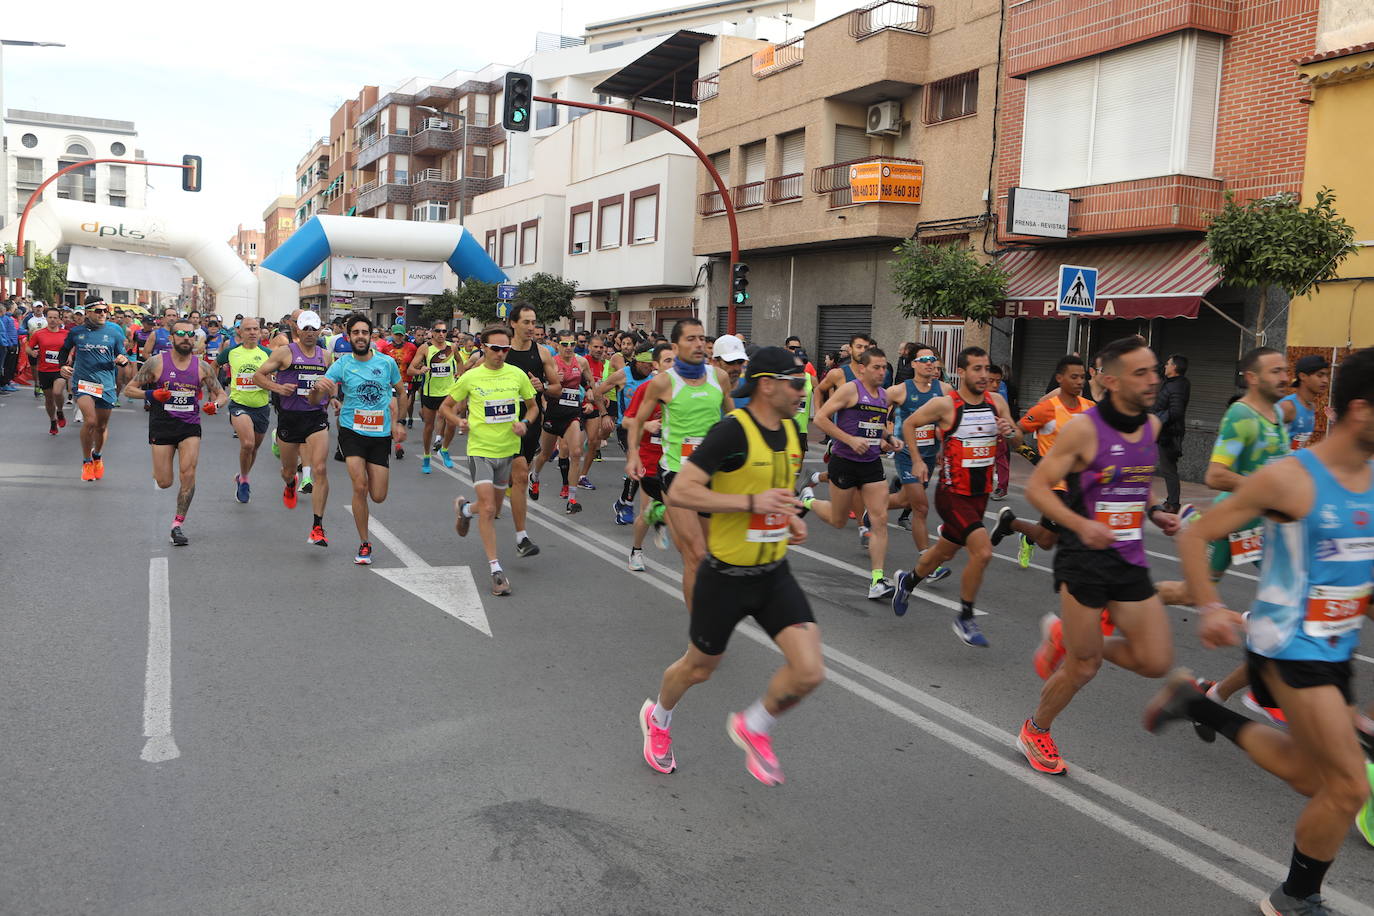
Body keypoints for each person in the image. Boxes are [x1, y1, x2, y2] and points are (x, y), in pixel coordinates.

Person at [1143, 347, 1374, 916]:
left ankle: (1198, 706)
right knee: (1348, 787)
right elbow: (1197, 537)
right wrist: (1214, 607)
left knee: (1308, 777)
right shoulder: (1292, 479)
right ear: (1364, 410)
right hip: (1287, 645)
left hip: (1334, 647)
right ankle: (1294, 899)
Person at [638, 347, 822, 786]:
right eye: (796, 383)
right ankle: (658, 717)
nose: (803, 391)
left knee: (810, 670)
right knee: (699, 668)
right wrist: (751, 503)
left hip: (774, 573)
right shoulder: (731, 433)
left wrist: (788, 516)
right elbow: (682, 489)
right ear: (767, 384)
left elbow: (776, 490)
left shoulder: (795, 433)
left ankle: (755, 726)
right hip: (725, 577)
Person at [1014, 336, 1181, 776]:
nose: (1153, 379)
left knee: (1155, 660)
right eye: (1141, 372)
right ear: (1110, 379)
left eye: (1155, 369)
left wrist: (1153, 511)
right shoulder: (1084, 429)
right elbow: (1036, 488)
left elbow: (1139, 477)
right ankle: (1036, 729)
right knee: (1083, 667)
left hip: (1128, 556)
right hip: (1083, 557)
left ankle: (1065, 636)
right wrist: (1081, 524)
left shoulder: (1152, 427)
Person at [1154, 347, 1294, 728]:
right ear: (1251, 377)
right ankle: (1125, 601)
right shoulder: (1241, 416)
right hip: (1237, 524)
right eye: (1276, 371)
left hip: (1263, 527)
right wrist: (1263, 489)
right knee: (1284, 610)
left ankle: (1219, 696)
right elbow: (1216, 474)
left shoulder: (1277, 414)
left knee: (1283, 604)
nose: (1285, 377)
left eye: (1286, 370)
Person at [891, 346, 1022, 644]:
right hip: (952, 494)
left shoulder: (997, 402)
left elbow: (1017, 439)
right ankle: (965, 617)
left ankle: (907, 580)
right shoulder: (945, 404)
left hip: (980, 494)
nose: (983, 375)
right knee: (983, 551)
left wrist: (1010, 431)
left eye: (986, 368)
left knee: (945, 552)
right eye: (976, 368)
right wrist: (916, 460)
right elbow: (910, 424)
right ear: (961, 372)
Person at [626, 318, 733, 609]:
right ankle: (699, 628)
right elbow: (636, 420)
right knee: (695, 555)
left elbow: (733, 419)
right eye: (691, 339)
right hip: (676, 474)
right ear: (675, 346)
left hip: (711, 475)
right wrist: (634, 455)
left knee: (710, 553)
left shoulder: (718, 378)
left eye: (701, 338)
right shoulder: (664, 381)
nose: (699, 344)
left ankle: (659, 510)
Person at [441, 326, 540, 596]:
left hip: (507, 452)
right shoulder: (471, 377)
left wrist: (524, 423)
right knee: (487, 508)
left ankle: (463, 510)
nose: (500, 353)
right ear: (483, 347)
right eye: (495, 348)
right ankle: (496, 571)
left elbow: (533, 407)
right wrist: (458, 420)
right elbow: (445, 406)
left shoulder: (517, 375)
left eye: (505, 349)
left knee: (493, 508)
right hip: (480, 450)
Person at [803, 348, 902, 599]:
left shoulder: (882, 395)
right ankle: (807, 499)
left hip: (870, 464)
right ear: (862, 369)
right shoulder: (851, 390)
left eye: (884, 368)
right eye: (876, 367)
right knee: (837, 520)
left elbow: (876, 426)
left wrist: (890, 438)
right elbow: (822, 418)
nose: (882, 372)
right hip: (844, 461)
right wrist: (849, 439)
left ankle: (877, 580)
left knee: (879, 520)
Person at [309, 313, 406, 564]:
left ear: (371, 336)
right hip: (352, 431)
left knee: (378, 495)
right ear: (348, 336)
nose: (360, 337)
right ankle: (364, 543)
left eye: (365, 332)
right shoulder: (342, 364)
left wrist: (399, 422)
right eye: (356, 333)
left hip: (381, 434)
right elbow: (319, 393)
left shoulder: (386, 363)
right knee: (359, 486)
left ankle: (365, 537)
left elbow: (401, 392)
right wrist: (319, 390)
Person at [125, 318, 226, 546]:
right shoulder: (155, 363)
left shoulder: (202, 367)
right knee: (164, 482)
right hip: (162, 424)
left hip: (189, 426)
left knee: (188, 473)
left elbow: (221, 394)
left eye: (191, 334)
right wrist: (152, 395)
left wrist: (215, 405)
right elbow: (129, 390)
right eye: (181, 333)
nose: (186, 338)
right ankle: (160, 471)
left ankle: (177, 524)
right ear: (171, 338)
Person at [988, 355, 1095, 569]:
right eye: (1073, 377)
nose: (1079, 382)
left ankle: (1010, 522)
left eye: (1082, 377)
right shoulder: (1047, 409)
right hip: (1056, 485)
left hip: (1081, 484)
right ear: (1059, 378)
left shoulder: (1092, 408)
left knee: (1046, 540)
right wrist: (1036, 458)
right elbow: (1017, 435)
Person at [254, 312, 333, 545]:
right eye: (305, 329)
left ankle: (317, 526)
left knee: (320, 469)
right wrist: (277, 388)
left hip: (316, 418)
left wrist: (334, 396)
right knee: (289, 470)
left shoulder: (326, 356)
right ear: (298, 330)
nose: (310, 333)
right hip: (289, 418)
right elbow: (258, 376)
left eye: (314, 329)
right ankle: (290, 483)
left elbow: (332, 382)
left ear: (319, 331)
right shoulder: (285, 352)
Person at [884, 344, 953, 579]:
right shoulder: (899, 390)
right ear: (913, 364)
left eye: (933, 359)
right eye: (924, 360)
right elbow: (876, 408)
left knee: (905, 499)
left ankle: (872, 505)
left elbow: (952, 421)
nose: (929, 363)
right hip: (906, 455)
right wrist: (886, 435)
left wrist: (943, 443)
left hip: (929, 455)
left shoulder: (945, 389)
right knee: (920, 508)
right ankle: (927, 561)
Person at [502, 302, 562, 555]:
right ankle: (521, 536)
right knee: (515, 477)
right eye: (525, 322)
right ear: (513, 323)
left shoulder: (543, 353)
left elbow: (557, 388)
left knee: (520, 475)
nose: (531, 327)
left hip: (530, 420)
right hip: (502, 421)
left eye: (533, 322)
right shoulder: (500, 351)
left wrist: (543, 388)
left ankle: (520, 534)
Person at [58, 303, 131, 480]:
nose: (103, 314)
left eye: (106, 311)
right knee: (90, 421)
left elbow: (122, 357)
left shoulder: (114, 332)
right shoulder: (76, 331)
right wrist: (62, 367)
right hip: (82, 383)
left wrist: (122, 360)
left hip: (106, 384)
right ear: (88, 313)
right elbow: (64, 351)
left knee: (101, 426)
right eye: (98, 311)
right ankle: (86, 462)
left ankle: (97, 456)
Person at [530, 334, 593, 513]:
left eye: (572, 344)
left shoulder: (581, 362)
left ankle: (572, 499)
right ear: (558, 345)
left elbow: (589, 380)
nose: (569, 347)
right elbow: (540, 388)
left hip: (573, 414)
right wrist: (549, 383)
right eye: (564, 344)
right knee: (545, 454)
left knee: (576, 452)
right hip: (553, 413)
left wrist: (589, 395)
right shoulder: (552, 363)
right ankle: (534, 477)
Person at [597, 343, 658, 525]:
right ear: (638, 360)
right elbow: (598, 392)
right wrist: (605, 414)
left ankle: (622, 502)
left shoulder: (655, 378)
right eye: (647, 363)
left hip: (646, 428)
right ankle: (627, 506)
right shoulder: (623, 375)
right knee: (637, 465)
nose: (650, 367)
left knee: (644, 469)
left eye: (652, 364)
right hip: (626, 427)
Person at [215, 317, 274, 503]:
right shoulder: (231, 352)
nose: (253, 332)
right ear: (240, 332)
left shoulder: (267, 353)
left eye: (256, 329)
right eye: (248, 329)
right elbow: (213, 366)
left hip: (262, 406)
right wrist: (216, 389)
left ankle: (242, 475)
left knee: (254, 448)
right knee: (247, 444)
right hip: (239, 404)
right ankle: (245, 481)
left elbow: (278, 372)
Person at [407, 320, 458, 474]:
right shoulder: (425, 348)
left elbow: (461, 362)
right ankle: (427, 456)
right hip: (430, 393)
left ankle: (445, 449)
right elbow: (410, 370)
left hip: (448, 392)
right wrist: (420, 370)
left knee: (452, 422)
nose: (441, 334)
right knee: (429, 427)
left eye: (444, 331)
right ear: (432, 333)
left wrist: (460, 373)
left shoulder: (452, 347)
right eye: (438, 331)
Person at [1154, 352, 1191, 513]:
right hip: (1165, 432)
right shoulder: (1171, 383)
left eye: (1168, 364)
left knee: (1169, 469)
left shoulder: (1177, 386)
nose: (1165, 366)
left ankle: (1174, 504)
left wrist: (1158, 420)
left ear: (1174, 367)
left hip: (1169, 434)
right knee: (1167, 468)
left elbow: (1176, 411)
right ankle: (1171, 501)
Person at [26, 306, 69, 435]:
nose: (52, 320)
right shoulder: (39, 333)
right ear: (46, 318)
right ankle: (52, 420)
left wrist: (70, 355)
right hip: (44, 370)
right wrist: (32, 352)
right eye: (50, 317)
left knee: (57, 392)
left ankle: (60, 410)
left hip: (59, 369)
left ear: (59, 319)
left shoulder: (65, 334)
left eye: (55, 318)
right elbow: (28, 347)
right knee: (49, 399)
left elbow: (72, 347)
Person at [378, 325, 416, 458]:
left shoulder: (411, 348)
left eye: (401, 335)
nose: (399, 337)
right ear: (392, 335)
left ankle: (396, 437)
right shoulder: (385, 349)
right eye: (396, 335)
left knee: (401, 413)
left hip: (406, 383)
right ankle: (397, 445)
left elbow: (415, 363)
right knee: (394, 413)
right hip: (390, 384)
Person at [1280, 354, 1331, 451]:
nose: (1325, 380)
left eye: (1326, 375)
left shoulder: (1311, 407)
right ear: (1303, 376)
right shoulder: (1288, 407)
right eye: (1319, 375)